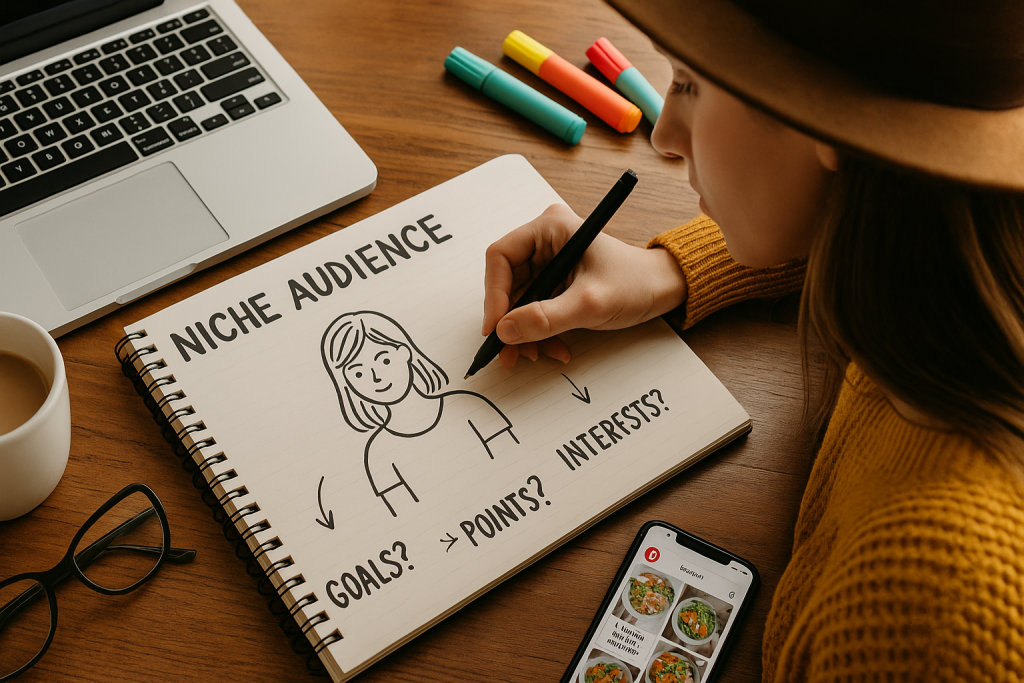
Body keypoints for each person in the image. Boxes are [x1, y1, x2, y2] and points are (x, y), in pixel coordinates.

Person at [481, 0, 1024, 678]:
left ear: (830, 123)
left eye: (690, 85)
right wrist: (666, 271)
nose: (665, 136)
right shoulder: (951, 243)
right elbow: (869, 210)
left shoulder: (932, 606)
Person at [321, 311, 517, 517]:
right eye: (358, 373)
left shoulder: (468, 405)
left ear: (404, 352)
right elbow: (405, 515)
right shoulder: (379, 455)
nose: (376, 377)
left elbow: (516, 458)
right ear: (348, 384)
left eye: (384, 360)